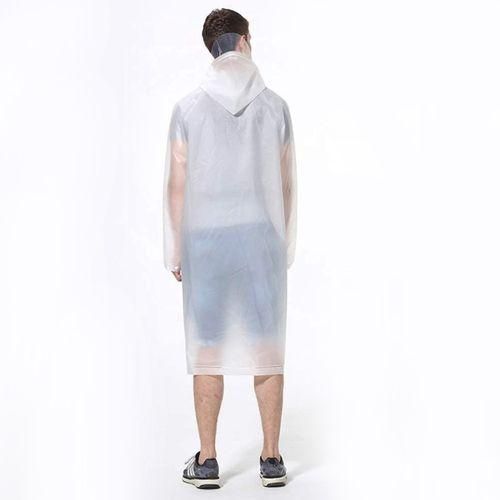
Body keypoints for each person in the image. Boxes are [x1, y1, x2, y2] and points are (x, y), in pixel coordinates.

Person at [163, 8, 297, 489]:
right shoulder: (275, 107)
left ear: (212, 48)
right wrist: (283, 245)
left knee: (207, 351)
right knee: (267, 348)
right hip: (260, 237)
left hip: (206, 240)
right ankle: (271, 458)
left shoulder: (188, 109)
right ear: (244, 40)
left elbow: (176, 186)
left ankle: (208, 460)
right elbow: (286, 183)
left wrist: (175, 250)